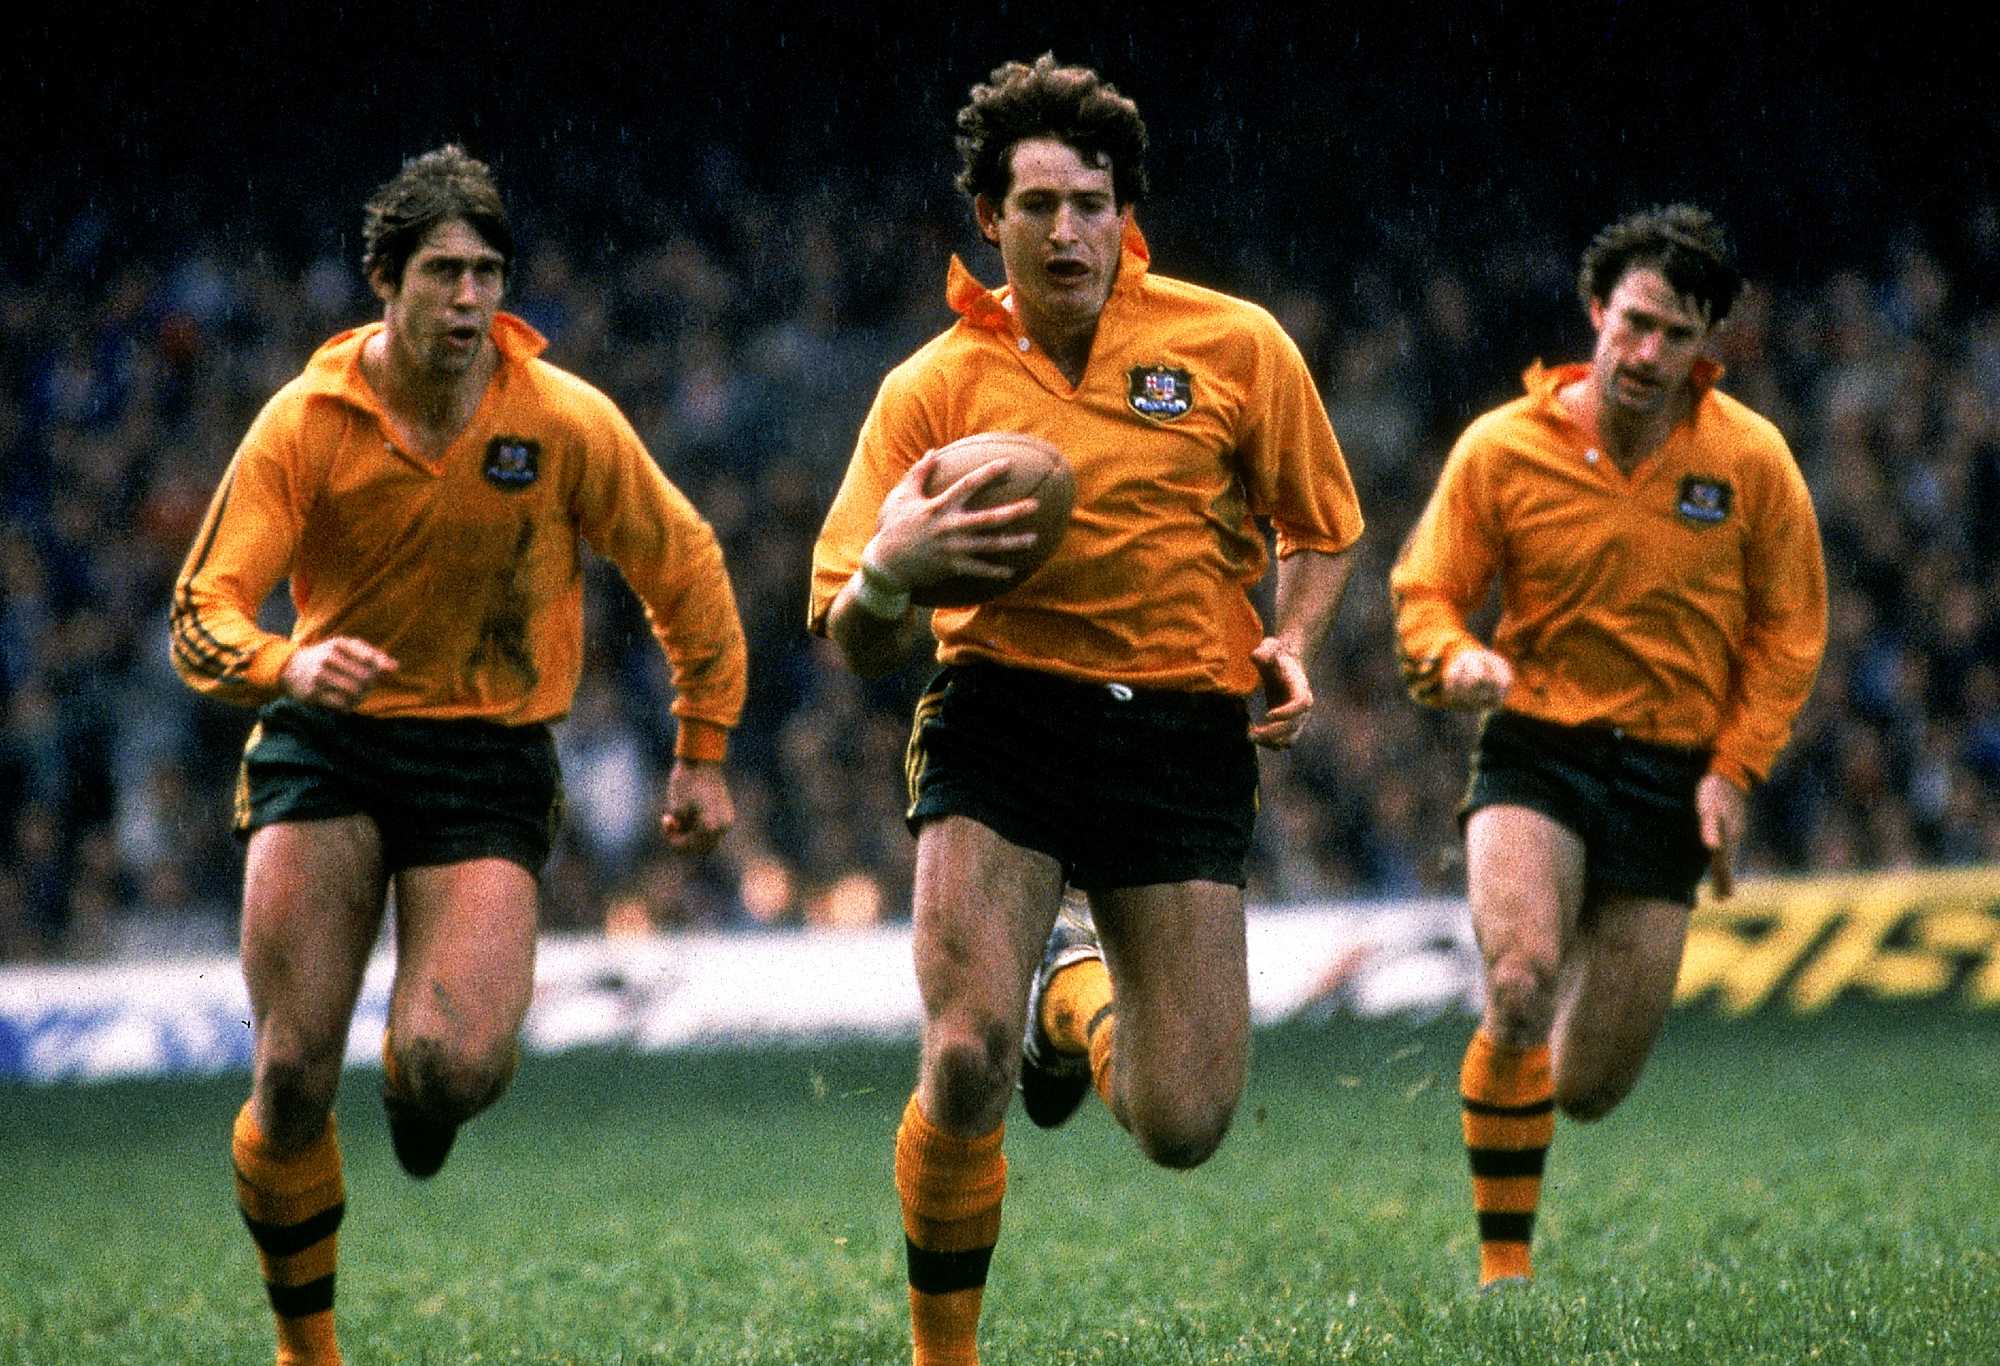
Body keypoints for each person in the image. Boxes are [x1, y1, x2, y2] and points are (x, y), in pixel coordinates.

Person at [808, 55, 1364, 1364]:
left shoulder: (1232, 343)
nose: (1070, 230)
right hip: (1003, 717)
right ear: (989, 216)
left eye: (1094, 202)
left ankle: (1076, 999)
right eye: (1040, 203)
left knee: (1182, 1122)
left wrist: (1290, 638)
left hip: (1180, 731)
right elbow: (852, 632)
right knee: (962, 1054)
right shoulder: (931, 389)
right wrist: (894, 569)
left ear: (1128, 211)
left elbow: (1323, 526)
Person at [169, 145, 747, 1365]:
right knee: (285, 1075)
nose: (470, 297)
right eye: (443, 271)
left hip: (487, 755)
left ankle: (416, 1090)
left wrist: (701, 749)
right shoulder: (306, 422)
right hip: (325, 744)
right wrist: (287, 664)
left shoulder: (560, 419)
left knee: (458, 1065)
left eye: (487, 272)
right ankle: (305, 1349)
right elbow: (200, 610)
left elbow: (682, 562)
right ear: (385, 281)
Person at [1390, 204, 1827, 1288]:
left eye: (1673, 334)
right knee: (1523, 979)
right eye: (1630, 322)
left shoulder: (1750, 461)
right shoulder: (1501, 448)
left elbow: (1788, 629)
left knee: (1585, 1083)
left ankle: (1526, 1117)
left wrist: (1732, 770)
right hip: (1534, 745)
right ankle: (1504, 1271)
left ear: (1705, 346)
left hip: (1668, 774)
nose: (1644, 353)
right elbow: (1425, 592)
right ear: (1594, 312)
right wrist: (1452, 661)